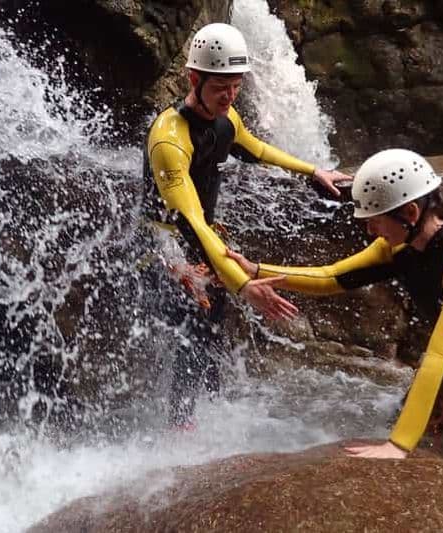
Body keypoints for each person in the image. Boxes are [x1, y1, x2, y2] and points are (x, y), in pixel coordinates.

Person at [226, 148, 443, 463]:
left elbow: (440, 354)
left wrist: (398, 446)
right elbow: (331, 277)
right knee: (403, 427)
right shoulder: (401, 246)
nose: (369, 230)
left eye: (374, 221)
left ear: (411, 213)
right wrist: (256, 270)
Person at [142, 22, 351, 429]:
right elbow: (190, 222)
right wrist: (242, 282)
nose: (230, 96)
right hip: (164, 241)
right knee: (192, 317)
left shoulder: (225, 118)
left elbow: (255, 149)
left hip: (201, 235)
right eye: (221, 87)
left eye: (236, 86)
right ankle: (180, 426)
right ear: (194, 78)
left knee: (215, 318)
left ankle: (212, 405)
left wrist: (313, 170)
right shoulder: (170, 139)